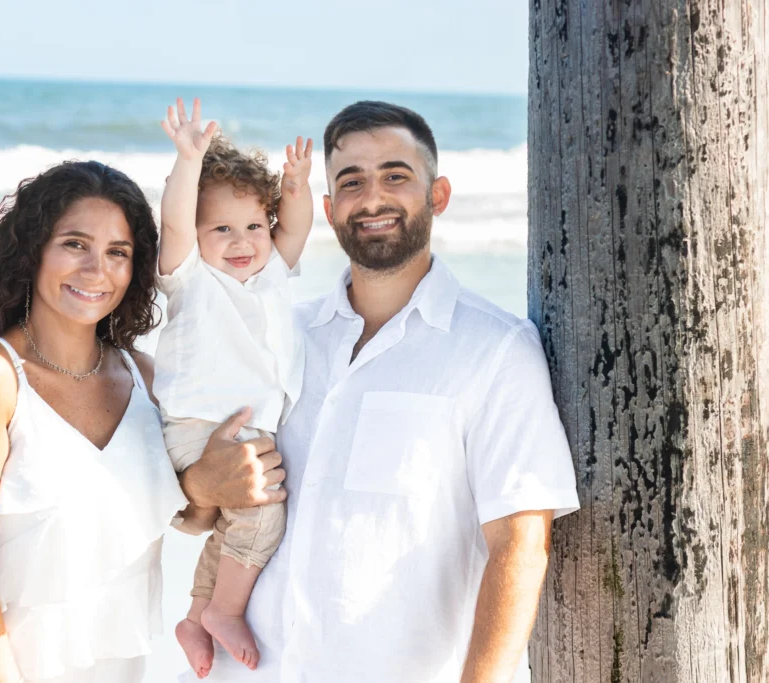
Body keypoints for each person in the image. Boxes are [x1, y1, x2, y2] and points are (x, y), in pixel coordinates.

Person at [176, 101, 581, 683]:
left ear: (437, 195)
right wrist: (199, 483)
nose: (372, 199)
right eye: (351, 182)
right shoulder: (280, 334)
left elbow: (519, 545)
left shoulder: (495, 349)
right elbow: (195, 493)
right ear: (329, 209)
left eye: (395, 176)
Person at [0, 161, 197, 683]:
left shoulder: (144, 378)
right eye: (75, 244)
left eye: (117, 252)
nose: (97, 269)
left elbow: (191, 513)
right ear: (32, 252)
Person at [154, 97, 313, 677]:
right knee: (263, 514)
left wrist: (295, 185)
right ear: (196, 237)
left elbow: (293, 228)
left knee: (231, 529)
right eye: (221, 228)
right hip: (201, 427)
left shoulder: (268, 274)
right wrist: (188, 162)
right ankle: (225, 611)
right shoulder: (191, 278)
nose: (241, 240)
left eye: (253, 225)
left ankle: (197, 618)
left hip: (240, 428)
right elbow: (173, 219)